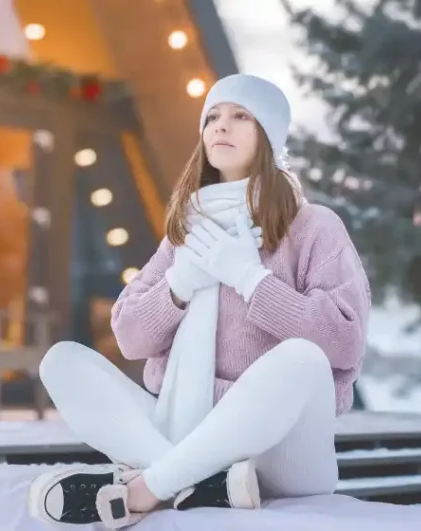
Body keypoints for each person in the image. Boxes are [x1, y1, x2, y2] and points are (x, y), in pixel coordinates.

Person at [26, 73, 371, 528]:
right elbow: (129, 336)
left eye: (240, 116)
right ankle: (203, 485)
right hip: (188, 428)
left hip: (281, 448)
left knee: (303, 359)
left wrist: (251, 279)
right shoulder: (187, 233)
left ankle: (149, 486)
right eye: (212, 117)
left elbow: (344, 341)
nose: (220, 126)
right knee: (62, 360)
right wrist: (179, 284)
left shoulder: (314, 227)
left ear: (268, 136)